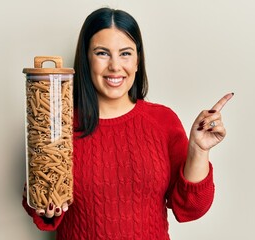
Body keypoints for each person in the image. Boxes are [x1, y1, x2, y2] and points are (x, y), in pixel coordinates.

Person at [22, 7, 234, 239]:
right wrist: (44, 207)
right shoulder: (58, 125)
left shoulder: (162, 121)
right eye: (102, 53)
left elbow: (190, 208)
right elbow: (44, 207)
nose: (115, 66)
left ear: (137, 60)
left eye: (125, 53)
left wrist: (198, 150)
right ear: (86, 59)